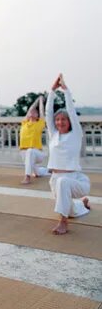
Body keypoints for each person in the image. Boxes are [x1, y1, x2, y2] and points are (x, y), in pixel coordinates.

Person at [45, 74, 91, 235]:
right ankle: (83, 205)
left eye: (63, 119)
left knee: (64, 183)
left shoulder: (76, 134)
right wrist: (51, 90)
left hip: (75, 180)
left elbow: (71, 110)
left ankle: (63, 222)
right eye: (57, 120)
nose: (60, 122)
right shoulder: (53, 135)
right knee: (72, 210)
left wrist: (65, 90)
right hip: (55, 179)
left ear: (70, 121)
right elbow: (47, 113)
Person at [19, 95, 50, 184]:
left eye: (35, 112)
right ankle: (48, 170)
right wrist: (36, 100)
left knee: (30, 152)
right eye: (31, 112)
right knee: (37, 173)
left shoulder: (39, 123)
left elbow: (41, 111)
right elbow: (30, 109)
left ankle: (27, 177)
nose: (32, 112)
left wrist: (40, 101)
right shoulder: (25, 123)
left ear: (37, 116)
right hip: (24, 153)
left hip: (37, 153)